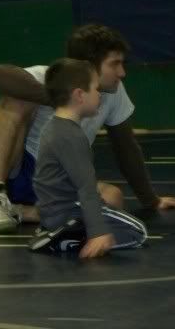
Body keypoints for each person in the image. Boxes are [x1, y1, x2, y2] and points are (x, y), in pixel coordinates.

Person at [0, 24, 175, 233]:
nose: (122, 72)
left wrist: (150, 200)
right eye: (114, 64)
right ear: (89, 66)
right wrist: (59, 99)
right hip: (2, 166)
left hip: (46, 181)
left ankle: (13, 212)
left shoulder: (114, 92)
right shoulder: (49, 77)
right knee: (16, 97)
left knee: (112, 198)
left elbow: (126, 146)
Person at [28, 58, 146, 257]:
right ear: (79, 95)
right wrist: (97, 232)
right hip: (70, 210)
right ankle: (68, 239)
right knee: (137, 232)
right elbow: (86, 187)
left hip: (53, 212)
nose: (99, 94)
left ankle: (62, 231)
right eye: (95, 89)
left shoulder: (53, 127)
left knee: (113, 210)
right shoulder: (71, 136)